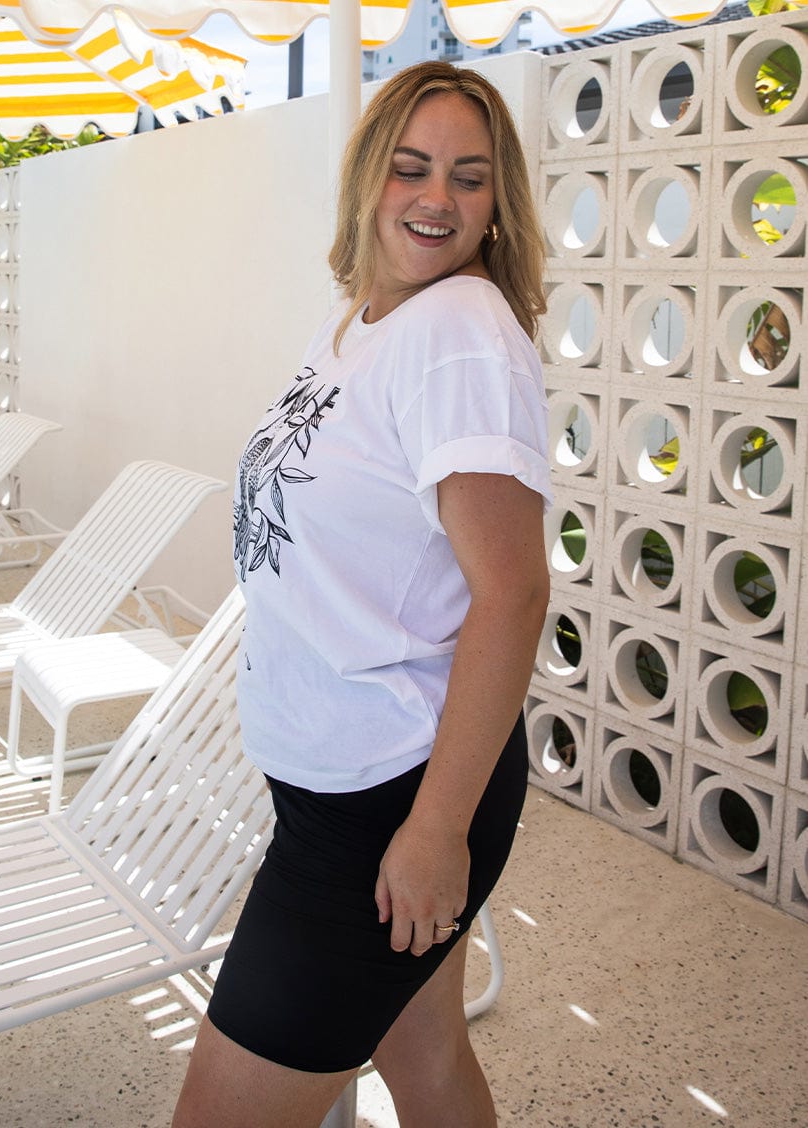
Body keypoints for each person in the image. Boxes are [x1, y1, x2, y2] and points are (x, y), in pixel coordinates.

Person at [172, 60, 552, 1128]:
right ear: (367, 177)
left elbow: (515, 595)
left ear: (498, 202)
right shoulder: (363, 322)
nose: (437, 199)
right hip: (338, 776)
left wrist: (437, 832)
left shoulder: (459, 333)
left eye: (470, 178)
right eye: (412, 167)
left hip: (387, 801)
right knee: (423, 1058)